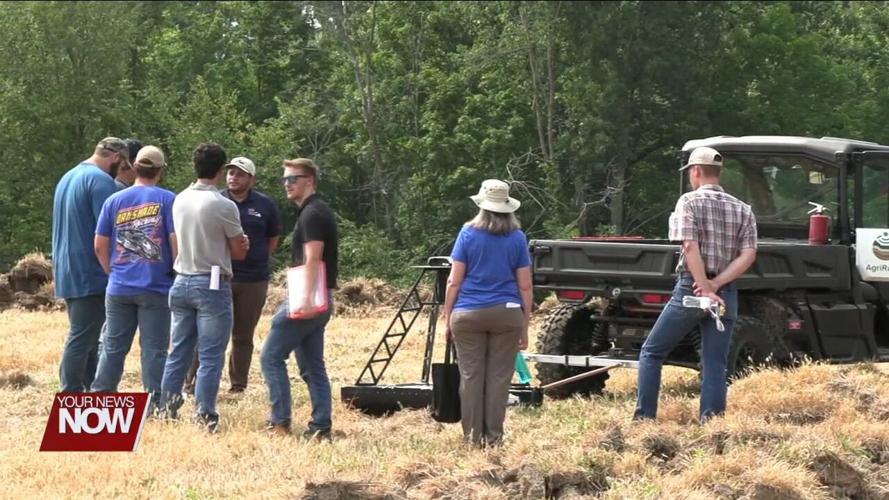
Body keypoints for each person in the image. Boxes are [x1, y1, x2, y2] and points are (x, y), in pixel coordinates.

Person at [634, 146, 757, 423]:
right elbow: (748, 255)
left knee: (652, 352)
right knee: (715, 362)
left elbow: (690, 246)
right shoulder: (743, 209)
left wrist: (703, 286)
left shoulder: (688, 202)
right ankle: (711, 422)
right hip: (726, 293)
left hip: (692, 288)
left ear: (697, 171)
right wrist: (717, 284)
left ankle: (644, 420)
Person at [158, 143, 249, 433]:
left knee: (178, 352)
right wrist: (243, 243)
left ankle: (167, 410)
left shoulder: (180, 199)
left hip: (182, 278)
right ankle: (205, 415)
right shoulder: (223, 205)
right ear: (220, 170)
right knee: (211, 356)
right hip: (211, 282)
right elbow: (238, 251)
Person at [442, 179, 533, 447]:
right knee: (498, 379)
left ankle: (472, 438)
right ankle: (494, 439)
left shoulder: (468, 233)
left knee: (471, 377)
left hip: (468, 313)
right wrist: (524, 326)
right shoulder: (517, 237)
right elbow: (525, 286)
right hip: (507, 313)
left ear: (482, 204)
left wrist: (448, 318)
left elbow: (454, 281)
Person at [184, 156, 281, 394]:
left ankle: (238, 385)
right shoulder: (215, 200)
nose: (233, 177)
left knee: (243, 335)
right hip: (218, 275)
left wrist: (256, 258)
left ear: (251, 179)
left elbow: (273, 239)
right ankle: (191, 382)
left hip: (253, 279)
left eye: (240, 174)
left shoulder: (265, 205)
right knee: (207, 332)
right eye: (230, 172)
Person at [90, 146, 177, 411]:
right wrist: (174, 271)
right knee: (154, 351)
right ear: (160, 171)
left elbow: (99, 245)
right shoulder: (168, 200)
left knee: (113, 347)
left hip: (119, 287)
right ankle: (156, 405)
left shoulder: (114, 200)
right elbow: (175, 241)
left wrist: (112, 272)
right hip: (156, 286)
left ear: (135, 167)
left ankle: (100, 400)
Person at [261, 158, 338, 440]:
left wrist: (304, 300)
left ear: (310, 180)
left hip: (308, 298)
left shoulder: (313, 214)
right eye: (284, 179)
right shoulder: (314, 211)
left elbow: (313, 259)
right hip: (320, 297)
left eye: (293, 179)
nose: (287, 184)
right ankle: (321, 426)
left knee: (271, 357)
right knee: (312, 366)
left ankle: (280, 423)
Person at [53, 137, 131, 392]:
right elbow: (111, 231)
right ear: (116, 158)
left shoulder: (68, 176)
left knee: (87, 336)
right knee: (82, 336)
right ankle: (71, 392)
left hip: (66, 267)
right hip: (89, 269)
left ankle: (89, 390)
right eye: (123, 165)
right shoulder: (101, 182)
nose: (121, 171)